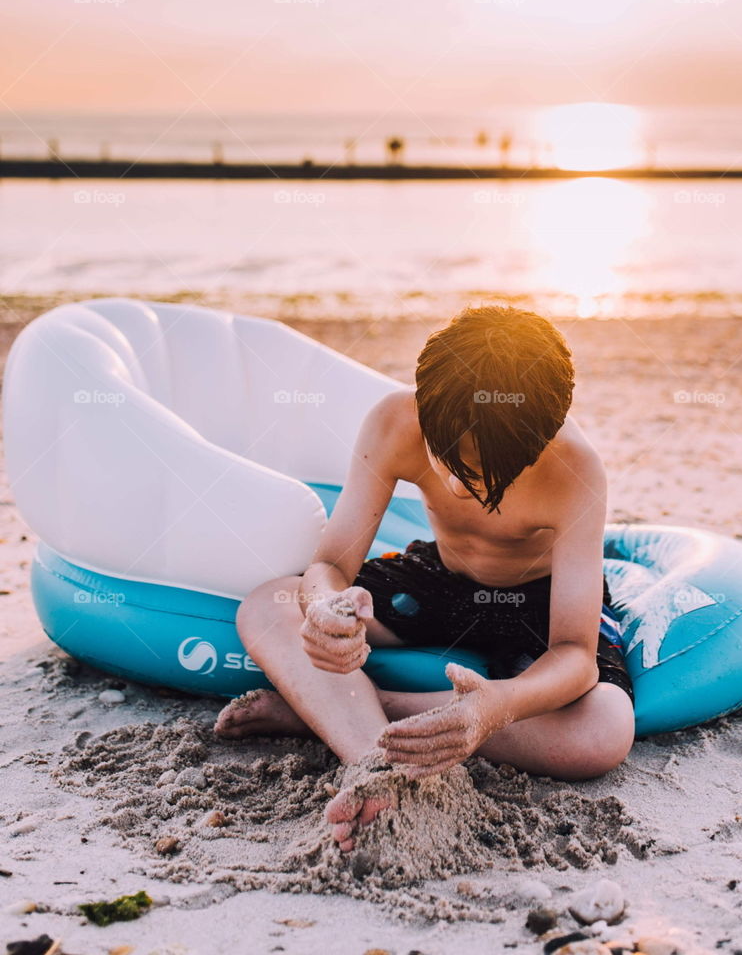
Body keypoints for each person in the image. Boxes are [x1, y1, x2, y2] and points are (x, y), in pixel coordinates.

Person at [216, 305, 634, 852]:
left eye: (486, 478)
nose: (460, 491)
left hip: (539, 600)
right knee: (269, 602)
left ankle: (328, 710)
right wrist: (324, 608)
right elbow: (331, 567)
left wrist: (491, 709)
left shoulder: (574, 467)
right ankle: (371, 760)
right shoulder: (397, 420)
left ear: (541, 441)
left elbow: (574, 654)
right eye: (446, 461)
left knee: (602, 733)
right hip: (442, 580)